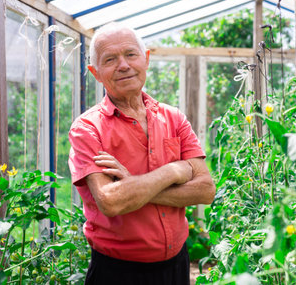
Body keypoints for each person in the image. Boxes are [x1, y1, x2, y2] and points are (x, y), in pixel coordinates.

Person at [68, 22, 215, 285]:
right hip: (117, 273)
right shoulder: (87, 129)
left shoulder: (174, 118)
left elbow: (205, 190)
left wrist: (134, 187)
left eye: (131, 54)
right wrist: (174, 171)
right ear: (95, 72)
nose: (123, 65)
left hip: (176, 267)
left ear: (145, 59)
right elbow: (112, 202)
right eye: (110, 59)